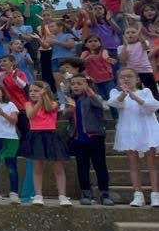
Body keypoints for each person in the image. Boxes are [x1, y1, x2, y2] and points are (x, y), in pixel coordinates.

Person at [107, 68, 159, 207]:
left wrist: (134, 96)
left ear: (137, 79)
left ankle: (155, 194)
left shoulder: (145, 91)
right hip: (128, 130)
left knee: (152, 162)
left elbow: (153, 106)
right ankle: (138, 194)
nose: (126, 79)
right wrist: (124, 94)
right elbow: (114, 103)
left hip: (147, 129)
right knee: (133, 163)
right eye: (122, 77)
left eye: (129, 76)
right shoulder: (115, 92)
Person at [63, 75, 113, 206]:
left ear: (87, 85)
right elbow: (65, 115)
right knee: (82, 167)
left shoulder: (94, 97)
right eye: (73, 84)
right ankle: (85, 192)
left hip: (95, 136)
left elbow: (101, 106)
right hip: (78, 138)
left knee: (100, 166)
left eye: (79, 83)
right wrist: (70, 109)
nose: (75, 86)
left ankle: (104, 193)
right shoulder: (71, 99)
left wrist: (90, 92)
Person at [20, 82, 72, 206]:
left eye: (36, 91)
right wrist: (39, 101)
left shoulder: (54, 103)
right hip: (36, 135)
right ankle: (38, 195)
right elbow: (30, 115)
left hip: (51, 135)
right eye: (31, 91)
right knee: (37, 167)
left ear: (44, 91)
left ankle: (62, 196)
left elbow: (49, 108)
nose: (32, 93)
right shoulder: (28, 104)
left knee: (58, 167)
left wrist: (44, 97)